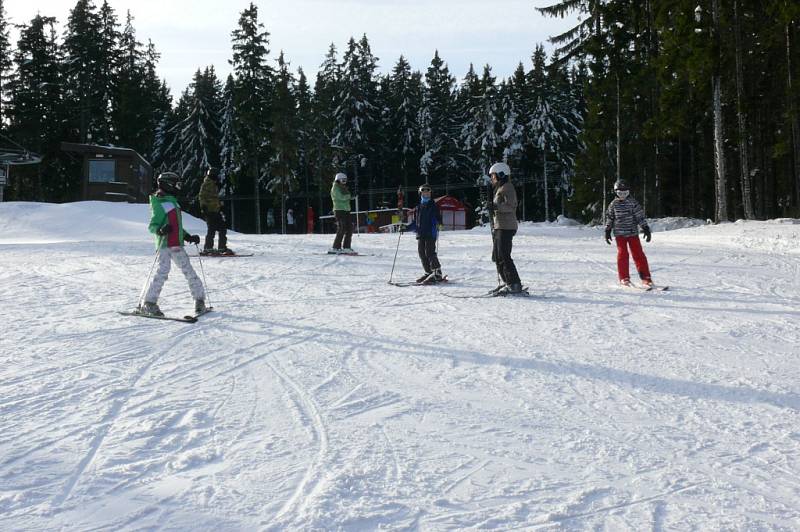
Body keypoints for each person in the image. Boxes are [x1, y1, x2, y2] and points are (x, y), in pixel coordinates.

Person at [139, 172, 206, 316]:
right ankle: (149, 303)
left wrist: (187, 236)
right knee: (162, 272)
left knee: (188, 271)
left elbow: (175, 225)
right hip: (164, 244)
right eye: (176, 185)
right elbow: (152, 226)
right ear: (168, 184)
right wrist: (160, 230)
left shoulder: (172, 201)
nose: (178, 187)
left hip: (176, 243)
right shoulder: (159, 202)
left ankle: (199, 300)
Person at [604, 179, 653, 287]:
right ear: (615, 192)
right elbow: (610, 218)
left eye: (625, 193)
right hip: (620, 234)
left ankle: (646, 277)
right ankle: (624, 277)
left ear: (629, 192)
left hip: (632, 233)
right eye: (620, 193)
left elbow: (640, 216)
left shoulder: (633, 203)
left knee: (638, 254)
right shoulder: (613, 205)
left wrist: (645, 228)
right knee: (623, 254)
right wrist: (608, 230)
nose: (622, 195)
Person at [488, 162, 523, 294]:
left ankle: (515, 284)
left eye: (493, 175)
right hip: (500, 225)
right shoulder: (500, 188)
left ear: (501, 174)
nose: (492, 178)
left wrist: (496, 207)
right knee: (497, 256)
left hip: (507, 226)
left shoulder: (508, 187)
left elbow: (511, 205)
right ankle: (507, 282)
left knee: (504, 255)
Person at [401, 183, 445, 283]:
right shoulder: (418, 208)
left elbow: (438, 217)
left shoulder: (433, 205)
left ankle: (437, 273)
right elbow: (415, 224)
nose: (426, 194)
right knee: (421, 253)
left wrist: (439, 223)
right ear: (420, 194)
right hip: (420, 233)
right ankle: (428, 272)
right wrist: (405, 228)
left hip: (430, 232)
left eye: (428, 193)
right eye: (424, 193)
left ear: (430, 194)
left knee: (429, 252)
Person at [197, 167, 231, 255]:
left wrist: (220, 206)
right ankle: (208, 248)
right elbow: (202, 196)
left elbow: (214, 198)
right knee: (212, 229)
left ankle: (221, 247)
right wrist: (204, 207)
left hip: (215, 210)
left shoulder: (213, 184)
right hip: (209, 211)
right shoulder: (207, 184)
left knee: (222, 228)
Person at [329, 172, 354, 254]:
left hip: (346, 210)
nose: (344, 182)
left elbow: (347, 197)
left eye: (345, 181)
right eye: (343, 180)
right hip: (339, 210)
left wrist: (353, 195)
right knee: (342, 227)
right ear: (338, 180)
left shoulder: (343, 188)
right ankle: (336, 247)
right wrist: (350, 195)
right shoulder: (335, 188)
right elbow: (341, 197)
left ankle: (347, 247)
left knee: (350, 228)